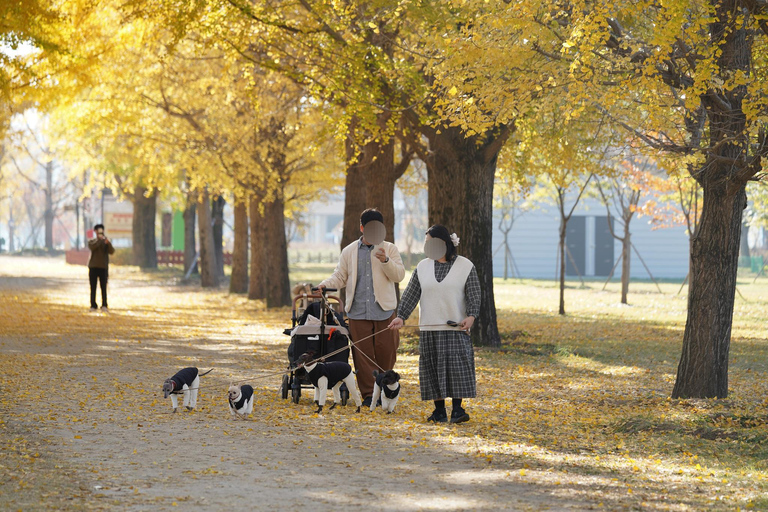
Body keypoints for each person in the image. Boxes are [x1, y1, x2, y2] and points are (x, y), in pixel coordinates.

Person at [388, 225, 480, 424]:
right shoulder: (422, 267)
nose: (427, 246)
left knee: (457, 368)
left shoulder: (465, 266)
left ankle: (457, 410)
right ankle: (439, 411)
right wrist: (401, 316)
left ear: (443, 242)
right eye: (426, 242)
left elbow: (474, 294)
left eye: (431, 242)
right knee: (432, 368)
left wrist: (471, 316)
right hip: (430, 328)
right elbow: (411, 294)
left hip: (455, 327)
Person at [318, 208, 405, 407]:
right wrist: (325, 285)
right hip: (357, 311)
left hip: (384, 310)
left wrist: (385, 261)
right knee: (362, 355)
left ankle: (385, 390)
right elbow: (340, 276)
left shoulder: (390, 249)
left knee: (387, 351)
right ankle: (368, 395)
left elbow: (399, 275)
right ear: (361, 228)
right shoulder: (349, 251)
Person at [88, 223, 115, 311]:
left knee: (103, 287)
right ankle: (93, 305)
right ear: (95, 231)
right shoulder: (92, 241)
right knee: (93, 287)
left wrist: (108, 243)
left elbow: (112, 251)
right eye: (98, 230)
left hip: (103, 267)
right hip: (93, 267)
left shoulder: (106, 241)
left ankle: (104, 304)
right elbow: (93, 247)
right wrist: (99, 240)